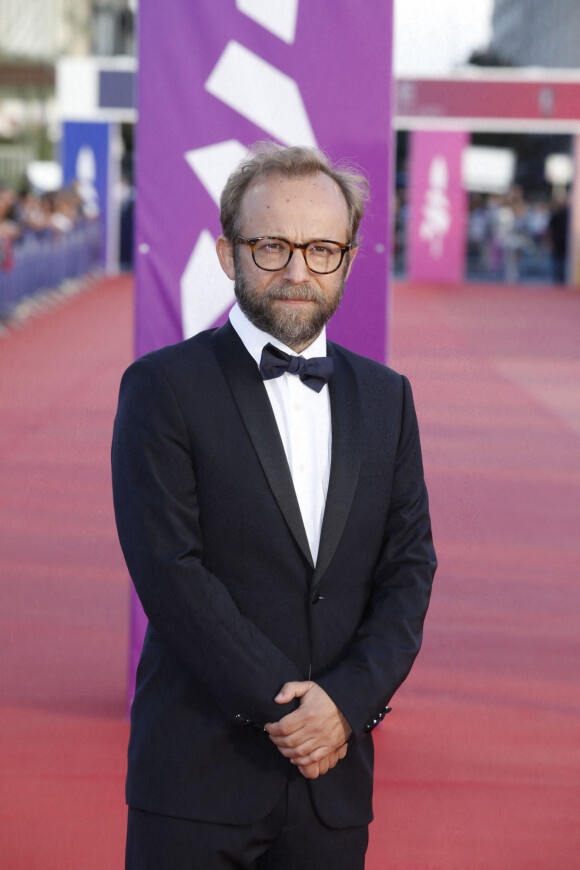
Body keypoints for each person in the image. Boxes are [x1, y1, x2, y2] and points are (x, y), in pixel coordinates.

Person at [112, 142, 437, 869]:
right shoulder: (162, 387)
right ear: (228, 255)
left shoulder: (388, 397)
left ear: (349, 261)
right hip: (197, 778)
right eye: (272, 246)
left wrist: (346, 706)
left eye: (322, 248)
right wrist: (296, 713)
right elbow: (170, 572)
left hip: (333, 782)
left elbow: (410, 568)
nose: (298, 270)